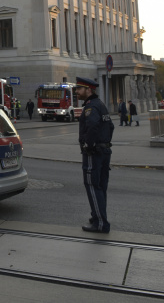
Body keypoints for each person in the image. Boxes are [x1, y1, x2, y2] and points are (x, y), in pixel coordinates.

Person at [74, 76, 114, 233]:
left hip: (94, 152)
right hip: (104, 150)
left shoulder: (91, 107)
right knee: (100, 186)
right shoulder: (101, 105)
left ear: (88, 90)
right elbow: (110, 126)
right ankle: (97, 216)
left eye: (79, 89)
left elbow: (92, 127)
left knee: (92, 185)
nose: (77, 91)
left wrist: (88, 145)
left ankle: (100, 223)